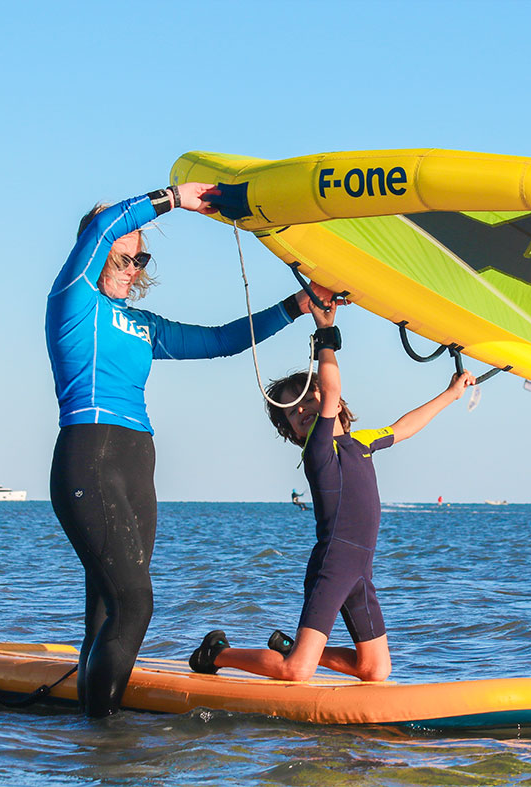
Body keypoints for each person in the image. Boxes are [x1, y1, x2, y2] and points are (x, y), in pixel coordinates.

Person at [46, 183, 330, 717]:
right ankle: (109, 746)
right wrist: (175, 197)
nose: (134, 267)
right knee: (136, 603)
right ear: (97, 250)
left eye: (142, 259)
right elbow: (106, 224)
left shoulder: (142, 326)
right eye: (124, 256)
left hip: (135, 464)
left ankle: (89, 741)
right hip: (90, 454)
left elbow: (223, 339)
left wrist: (297, 305)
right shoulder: (73, 299)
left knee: (107, 607)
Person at [188, 294, 475, 682]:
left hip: (361, 570)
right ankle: (218, 653)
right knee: (296, 672)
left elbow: (405, 426)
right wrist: (324, 332)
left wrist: (451, 394)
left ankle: (295, 648)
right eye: (292, 412)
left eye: (308, 398)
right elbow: (332, 391)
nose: (303, 409)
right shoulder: (318, 449)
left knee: (375, 670)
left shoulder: (363, 442)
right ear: (291, 429)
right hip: (333, 565)